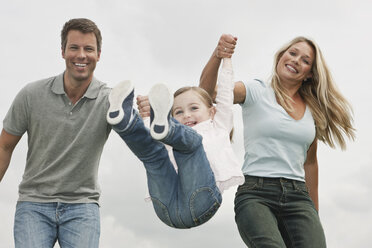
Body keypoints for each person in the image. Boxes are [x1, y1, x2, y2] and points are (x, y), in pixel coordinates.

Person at [199, 34, 355, 247]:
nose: (296, 60)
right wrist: (218, 55)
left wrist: (313, 215)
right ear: (281, 56)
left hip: (298, 198)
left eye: (305, 60)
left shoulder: (312, 111)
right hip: (256, 194)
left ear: (309, 74)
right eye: (292, 53)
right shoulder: (255, 90)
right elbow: (207, 94)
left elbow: (310, 163)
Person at [0, 18, 111, 248]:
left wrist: (148, 109)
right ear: (63, 51)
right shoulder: (31, 95)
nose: (81, 55)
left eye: (88, 49)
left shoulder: (110, 100)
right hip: (34, 204)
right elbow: (4, 146)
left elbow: (143, 134)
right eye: (74, 47)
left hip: (83, 205)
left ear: (98, 54)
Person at [107, 58, 244, 228]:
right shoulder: (168, 135)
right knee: (154, 155)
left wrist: (227, 59)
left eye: (194, 108)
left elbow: (225, 94)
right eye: (178, 112)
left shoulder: (219, 124)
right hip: (166, 207)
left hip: (201, 202)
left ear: (212, 111)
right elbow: (150, 138)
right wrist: (146, 117)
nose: (186, 115)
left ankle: (162, 122)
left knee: (191, 144)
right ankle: (125, 122)